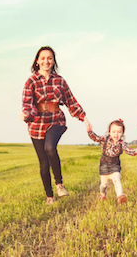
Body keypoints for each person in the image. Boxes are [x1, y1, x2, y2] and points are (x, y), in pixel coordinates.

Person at [21, 46, 93, 204]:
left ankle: (59, 184)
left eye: (50, 58)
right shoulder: (31, 82)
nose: (46, 61)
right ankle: (49, 196)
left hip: (56, 120)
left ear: (53, 61)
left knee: (50, 147)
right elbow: (27, 105)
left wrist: (85, 119)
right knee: (43, 162)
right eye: (43, 58)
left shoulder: (60, 81)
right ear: (37, 61)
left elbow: (71, 101)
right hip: (37, 124)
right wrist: (27, 115)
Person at [87, 119, 137, 204]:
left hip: (115, 165)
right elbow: (95, 138)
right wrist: (90, 131)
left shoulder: (122, 144)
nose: (116, 134)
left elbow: (129, 151)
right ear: (109, 132)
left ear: (122, 133)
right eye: (113, 132)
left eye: (119, 132)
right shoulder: (104, 139)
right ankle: (102, 194)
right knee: (104, 185)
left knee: (116, 179)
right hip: (104, 165)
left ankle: (120, 196)